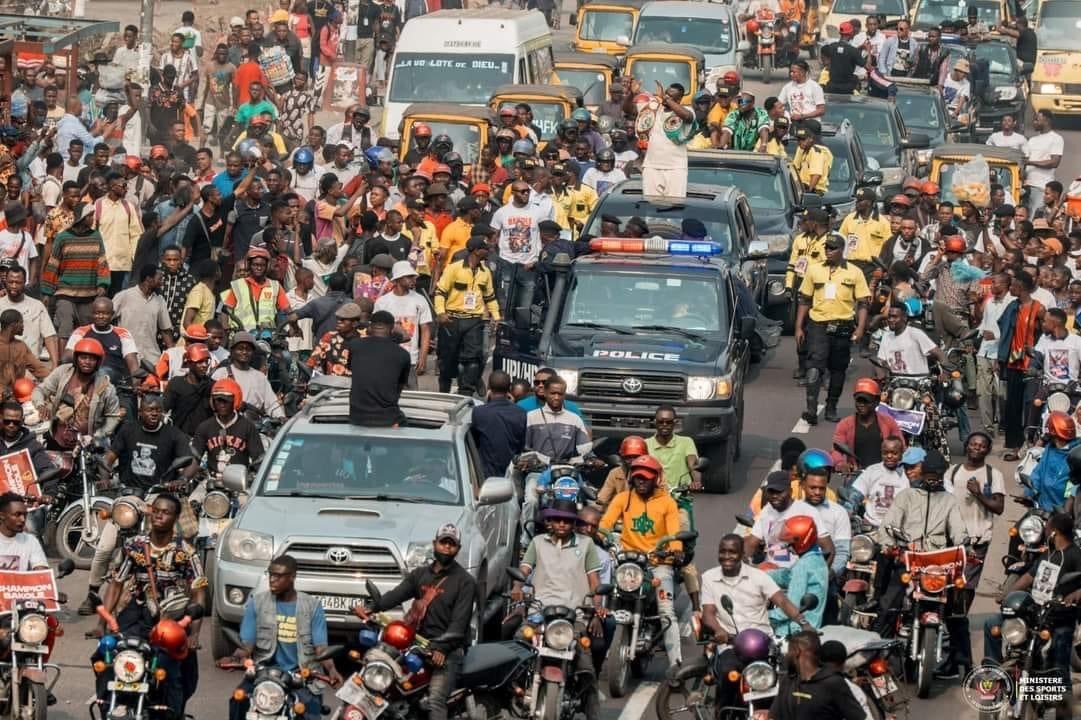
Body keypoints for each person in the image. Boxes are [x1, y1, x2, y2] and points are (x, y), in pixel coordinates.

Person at [83, 394, 194, 615]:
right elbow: (109, 457)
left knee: (175, 538)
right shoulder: (128, 430)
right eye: (148, 410)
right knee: (105, 546)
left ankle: (173, 590)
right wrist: (105, 474)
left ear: (162, 412)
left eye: (157, 410)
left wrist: (182, 480)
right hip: (129, 494)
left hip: (157, 495)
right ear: (140, 411)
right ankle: (92, 593)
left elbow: (190, 462)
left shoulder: (173, 434)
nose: (153, 414)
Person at [95, 493, 205, 715]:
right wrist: (103, 621)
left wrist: (194, 633)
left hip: (171, 619)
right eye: (156, 511)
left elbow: (199, 592)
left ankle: (171, 712)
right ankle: (107, 705)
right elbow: (116, 584)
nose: (159, 516)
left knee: (172, 670)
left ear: (175, 518)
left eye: (166, 513)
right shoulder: (133, 545)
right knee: (106, 655)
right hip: (137, 614)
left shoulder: (186, 552)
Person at [352, 524, 475, 720]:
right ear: (435, 544)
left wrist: (442, 648)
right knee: (377, 681)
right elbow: (395, 595)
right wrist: (371, 608)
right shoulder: (420, 574)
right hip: (414, 643)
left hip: (446, 649)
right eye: (443, 542)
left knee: (435, 700)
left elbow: (459, 623)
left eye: (452, 544)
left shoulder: (465, 581)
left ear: (458, 549)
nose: (446, 547)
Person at [700, 535, 815, 712]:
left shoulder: (759, 577)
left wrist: (803, 623)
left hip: (763, 643)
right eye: (723, 552)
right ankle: (721, 712)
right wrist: (718, 630)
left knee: (789, 676)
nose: (727, 556)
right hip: (731, 643)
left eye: (732, 552)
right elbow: (708, 614)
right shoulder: (709, 577)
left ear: (742, 554)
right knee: (728, 674)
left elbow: (782, 601)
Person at [511, 499, 603, 718]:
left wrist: (597, 611)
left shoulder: (586, 545)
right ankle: (512, 693)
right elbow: (524, 569)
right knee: (516, 643)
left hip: (575, 616)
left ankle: (592, 712)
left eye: (567, 521)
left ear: (573, 524)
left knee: (587, 667)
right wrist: (517, 587)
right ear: (549, 521)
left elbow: (595, 582)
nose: (562, 524)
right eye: (557, 520)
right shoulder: (537, 542)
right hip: (539, 613)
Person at [224, 555, 343, 720]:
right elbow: (247, 644)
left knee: (308, 713)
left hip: (301, 677)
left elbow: (321, 648)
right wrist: (235, 658)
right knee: (238, 700)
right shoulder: (257, 603)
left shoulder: (312, 606)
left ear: (293, 576)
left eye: (278, 576)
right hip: (263, 674)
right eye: (270, 575)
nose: (272, 580)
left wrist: (331, 669)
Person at [983, 513, 1081, 706]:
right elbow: (1029, 576)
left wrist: (1076, 594)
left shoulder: (1075, 555)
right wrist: (1008, 594)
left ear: (1055, 532)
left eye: (1047, 528)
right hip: (1035, 611)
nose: (1044, 531)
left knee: (1059, 658)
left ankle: (1064, 702)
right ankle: (994, 672)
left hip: (1060, 616)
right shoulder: (1049, 554)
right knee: (992, 624)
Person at [599, 456, 684, 665]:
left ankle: (676, 665)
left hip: (657, 564)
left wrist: (675, 550)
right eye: (637, 477)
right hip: (628, 562)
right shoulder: (622, 499)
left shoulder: (667, 503)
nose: (641, 482)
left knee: (667, 612)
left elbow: (674, 534)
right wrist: (601, 535)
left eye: (646, 478)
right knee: (605, 600)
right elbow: (605, 523)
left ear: (656, 478)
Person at [875, 449, 966, 637]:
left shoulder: (949, 501)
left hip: (937, 565)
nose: (933, 480)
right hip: (908, 560)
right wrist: (889, 545)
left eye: (937, 476)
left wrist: (965, 545)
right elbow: (888, 525)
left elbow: (958, 530)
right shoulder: (906, 496)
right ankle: (879, 648)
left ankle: (960, 663)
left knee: (957, 616)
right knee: (887, 605)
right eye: (930, 475)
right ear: (923, 474)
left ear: (942, 475)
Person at [796, 229, 871, 424]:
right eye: (826, 247)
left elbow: (863, 303)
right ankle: (811, 410)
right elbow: (804, 299)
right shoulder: (814, 269)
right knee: (814, 367)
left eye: (833, 248)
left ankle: (831, 407)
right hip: (818, 325)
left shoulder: (854, 272)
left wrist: (860, 328)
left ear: (842, 250)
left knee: (838, 369)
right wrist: (798, 327)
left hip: (843, 326)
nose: (828, 251)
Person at [434, 237, 499, 396]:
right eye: (485, 248)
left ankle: (466, 393)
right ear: (476, 251)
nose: (488, 251)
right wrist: (440, 313)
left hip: (474, 321)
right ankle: (444, 393)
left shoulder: (486, 272)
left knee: (472, 360)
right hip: (452, 320)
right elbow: (440, 292)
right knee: (447, 359)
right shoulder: (454, 268)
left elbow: (489, 297)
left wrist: (496, 317)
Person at [40, 204, 110, 347]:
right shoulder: (63, 237)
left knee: (85, 331)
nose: (93, 218)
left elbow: (102, 262)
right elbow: (53, 265)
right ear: (82, 218)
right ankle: (61, 364)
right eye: (90, 216)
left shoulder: (96, 236)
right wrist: (47, 292)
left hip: (88, 294)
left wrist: (102, 283)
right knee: (64, 329)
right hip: (65, 293)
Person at [32, 338, 122, 449]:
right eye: (83, 357)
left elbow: (113, 417)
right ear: (76, 358)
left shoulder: (106, 387)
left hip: (85, 443)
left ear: (98, 362)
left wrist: (97, 436)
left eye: (92, 359)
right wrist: (40, 405)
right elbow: (40, 390)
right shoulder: (62, 373)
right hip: (57, 436)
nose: (87, 362)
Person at [999, 271, 1046, 459]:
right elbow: (1004, 330)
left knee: (1030, 406)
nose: (1010, 288)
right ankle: (1014, 445)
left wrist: (1034, 352)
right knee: (1012, 406)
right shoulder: (1012, 306)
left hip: (1030, 365)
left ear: (1023, 287)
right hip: (1013, 363)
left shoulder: (1038, 308)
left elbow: (1044, 334)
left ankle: (1029, 445)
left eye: (1014, 285)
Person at [772, 631, 868, 719]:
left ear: (797, 651)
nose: (787, 656)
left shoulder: (833, 683)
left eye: (789, 651)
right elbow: (774, 716)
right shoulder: (787, 680)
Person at [745, 470, 828, 569]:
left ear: (790, 491)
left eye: (779, 492)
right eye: (771, 492)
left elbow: (828, 548)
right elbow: (751, 543)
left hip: (797, 574)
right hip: (771, 572)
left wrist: (820, 576)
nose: (775, 496)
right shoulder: (767, 511)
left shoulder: (807, 511)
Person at [347, 310, 410, 426]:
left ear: (370, 328)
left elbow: (352, 369)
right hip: (387, 418)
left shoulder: (355, 346)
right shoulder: (403, 355)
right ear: (392, 330)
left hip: (357, 416)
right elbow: (399, 388)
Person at [374, 261, 431, 388]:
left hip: (410, 358)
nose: (413, 279)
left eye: (413, 276)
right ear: (398, 279)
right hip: (387, 358)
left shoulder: (420, 300)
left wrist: (423, 356)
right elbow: (376, 331)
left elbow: (426, 330)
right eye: (409, 276)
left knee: (411, 394)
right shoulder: (383, 302)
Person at [191, 379, 264, 476]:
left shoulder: (247, 426)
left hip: (240, 482)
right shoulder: (204, 427)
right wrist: (183, 478)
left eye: (226, 400)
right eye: (218, 400)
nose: (222, 404)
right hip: (212, 482)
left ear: (235, 400)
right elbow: (194, 459)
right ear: (212, 401)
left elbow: (259, 461)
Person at [769, 515, 828, 635]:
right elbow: (789, 576)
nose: (788, 548)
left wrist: (761, 615)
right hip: (812, 625)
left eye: (790, 544)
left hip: (793, 631)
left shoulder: (803, 565)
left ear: (801, 541)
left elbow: (788, 609)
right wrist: (763, 574)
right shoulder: (817, 558)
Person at [210, 333, 283, 419]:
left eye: (248, 349)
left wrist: (281, 417)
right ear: (232, 351)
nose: (244, 352)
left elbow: (271, 403)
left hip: (254, 423)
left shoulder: (259, 377)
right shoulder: (221, 374)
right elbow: (211, 402)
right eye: (240, 349)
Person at [469, 370, 526, 480]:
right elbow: (521, 445)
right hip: (510, 474)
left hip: (486, 475)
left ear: (489, 386)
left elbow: (474, 442)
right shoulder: (521, 413)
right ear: (509, 388)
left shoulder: (479, 412)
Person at [975, 272, 1012, 434]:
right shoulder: (989, 302)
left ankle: (1003, 424)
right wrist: (974, 337)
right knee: (983, 393)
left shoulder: (1011, 303)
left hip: (1001, 354)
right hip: (984, 351)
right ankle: (987, 427)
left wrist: (996, 336)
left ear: (1004, 285)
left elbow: (1012, 330)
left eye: (995, 282)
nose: (991, 286)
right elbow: (983, 324)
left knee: (1002, 394)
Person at [876, 303, 946, 377]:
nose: (890, 320)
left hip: (918, 383)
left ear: (904, 318)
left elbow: (939, 353)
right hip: (896, 383)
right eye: (889, 317)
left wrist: (945, 373)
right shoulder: (886, 336)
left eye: (894, 317)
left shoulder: (915, 334)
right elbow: (882, 360)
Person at [1027, 412, 1079, 512]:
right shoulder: (1050, 449)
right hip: (1042, 507)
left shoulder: (1076, 454)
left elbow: (1073, 485)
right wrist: (1029, 493)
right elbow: (1038, 473)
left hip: (1066, 510)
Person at [163, 343, 213, 436]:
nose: (204, 365)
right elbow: (164, 409)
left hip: (203, 438)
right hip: (179, 436)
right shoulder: (176, 384)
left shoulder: (212, 386)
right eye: (200, 362)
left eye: (207, 361)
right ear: (189, 363)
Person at [1025, 110, 1064, 216]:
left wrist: (1030, 162)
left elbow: (1054, 162)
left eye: (1037, 120)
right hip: (1026, 186)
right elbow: (1024, 161)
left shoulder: (1056, 139)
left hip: (1041, 186)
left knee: (1035, 216)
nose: (1034, 122)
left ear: (1046, 121)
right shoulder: (1032, 140)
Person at [0, 309, 49, 389]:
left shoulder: (21, 346)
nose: (23, 326)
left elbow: (39, 369)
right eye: (21, 322)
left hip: (14, 394)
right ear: (13, 325)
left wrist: (54, 381)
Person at [791, 119, 832, 195]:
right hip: (805, 188)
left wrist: (808, 193)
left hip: (813, 190)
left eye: (802, 138)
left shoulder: (816, 151)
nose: (800, 141)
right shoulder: (810, 149)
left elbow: (816, 175)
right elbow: (795, 168)